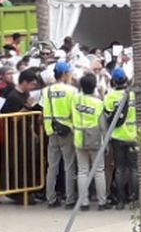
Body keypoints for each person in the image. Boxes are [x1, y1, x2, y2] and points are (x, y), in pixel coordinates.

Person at [43, 61, 77, 208]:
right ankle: (70, 199)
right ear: (64, 74)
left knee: (52, 166)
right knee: (69, 166)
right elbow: (74, 112)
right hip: (67, 130)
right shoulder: (71, 91)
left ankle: (50, 198)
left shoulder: (47, 91)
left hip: (51, 130)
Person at [71, 73, 108, 211]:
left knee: (82, 171)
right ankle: (102, 202)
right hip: (95, 138)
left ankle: (84, 202)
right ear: (94, 86)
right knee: (99, 170)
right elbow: (103, 125)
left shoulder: (75, 100)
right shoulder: (98, 103)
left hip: (79, 137)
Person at [103, 69, 137, 208]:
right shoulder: (135, 95)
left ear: (113, 81)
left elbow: (106, 117)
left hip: (117, 137)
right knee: (134, 168)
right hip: (134, 135)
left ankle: (121, 200)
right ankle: (134, 198)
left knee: (119, 168)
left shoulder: (109, 97)